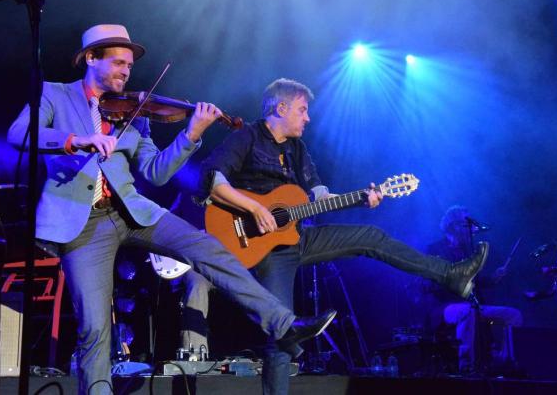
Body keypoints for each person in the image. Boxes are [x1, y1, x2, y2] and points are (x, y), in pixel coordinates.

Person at [6, 25, 334, 395]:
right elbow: (20, 135)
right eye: (118, 63)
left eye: (129, 66)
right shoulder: (55, 94)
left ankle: (283, 324)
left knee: (207, 248)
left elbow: (155, 172)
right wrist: (76, 140)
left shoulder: (137, 112)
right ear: (91, 58)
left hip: (134, 211)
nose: (126, 72)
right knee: (95, 328)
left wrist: (191, 134)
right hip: (83, 223)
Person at [197, 78, 490, 395]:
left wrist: (363, 197)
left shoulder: (298, 148)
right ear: (280, 108)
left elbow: (320, 195)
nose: (308, 117)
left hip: (297, 238)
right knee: (283, 333)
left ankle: (451, 275)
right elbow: (212, 180)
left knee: (371, 237)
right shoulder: (247, 137)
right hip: (259, 246)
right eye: (302, 110)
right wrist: (255, 208)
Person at [426, 205, 523, 373]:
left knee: (513, 315)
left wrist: (493, 278)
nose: (471, 229)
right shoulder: (434, 249)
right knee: (467, 312)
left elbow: (476, 281)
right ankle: (466, 365)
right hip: (446, 307)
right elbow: (429, 284)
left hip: (473, 305)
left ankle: (505, 361)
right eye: (467, 224)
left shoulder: (467, 251)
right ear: (455, 225)